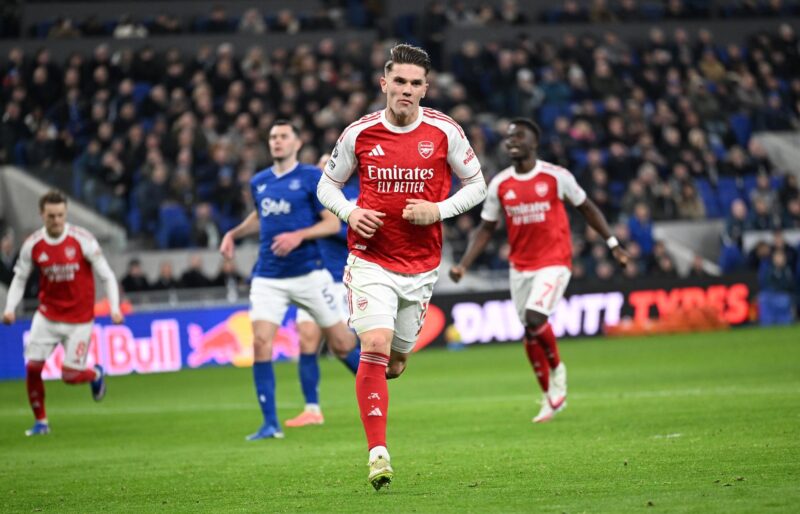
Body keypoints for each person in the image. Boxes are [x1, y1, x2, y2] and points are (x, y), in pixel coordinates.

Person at [317, 43, 487, 490]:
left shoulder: (446, 131)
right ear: (384, 84)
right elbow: (326, 187)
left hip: (421, 265)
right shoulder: (359, 134)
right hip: (370, 259)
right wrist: (350, 213)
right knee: (373, 341)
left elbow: (477, 186)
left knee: (394, 363)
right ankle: (378, 453)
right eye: (399, 82)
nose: (406, 90)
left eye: (415, 84)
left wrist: (439, 210)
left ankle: (379, 372)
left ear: (425, 88)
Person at [449, 119, 629, 424]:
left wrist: (613, 244)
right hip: (520, 267)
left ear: (535, 143)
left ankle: (558, 371)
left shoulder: (557, 177)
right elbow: (486, 229)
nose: (511, 141)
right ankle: (549, 396)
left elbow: (587, 209)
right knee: (529, 331)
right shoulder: (500, 184)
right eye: (508, 137)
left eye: (519, 136)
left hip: (555, 261)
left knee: (535, 318)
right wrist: (464, 264)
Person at [219, 120, 358, 441]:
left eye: (283, 136)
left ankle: (375, 389)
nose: (277, 141)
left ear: (297, 142)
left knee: (341, 344)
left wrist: (299, 235)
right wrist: (234, 233)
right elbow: (260, 215)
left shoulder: (312, 177)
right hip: (268, 276)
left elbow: (328, 224)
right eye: (272, 137)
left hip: (310, 274)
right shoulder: (259, 181)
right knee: (260, 342)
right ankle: (270, 423)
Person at [2, 190, 124, 436]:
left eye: (60, 215)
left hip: (79, 319)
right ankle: (41, 422)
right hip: (46, 316)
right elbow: (20, 278)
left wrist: (114, 307)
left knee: (70, 375)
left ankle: (95, 373)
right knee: (33, 368)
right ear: (41, 214)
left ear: (66, 213)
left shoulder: (83, 240)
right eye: (51, 216)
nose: (56, 220)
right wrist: (9, 309)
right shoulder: (33, 245)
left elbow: (107, 275)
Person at [285, 158, 362, 428]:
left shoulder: (354, 195)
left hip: (339, 278)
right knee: (307, 340)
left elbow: (356, 231)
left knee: (341, 346)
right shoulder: (309, 199)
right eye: (319, 166)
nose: (322, 170)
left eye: (327, 165)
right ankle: (311, 409)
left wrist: (320, 228)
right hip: (310, 277)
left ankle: (373, 385)